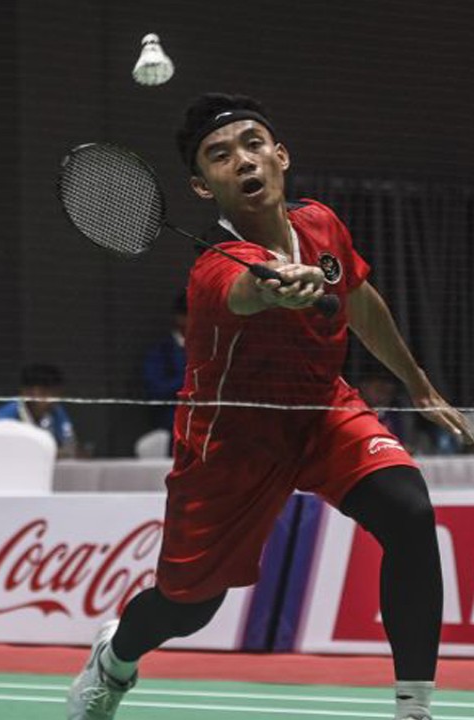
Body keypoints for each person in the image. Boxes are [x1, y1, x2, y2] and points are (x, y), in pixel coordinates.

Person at [66, 93, 474, 720]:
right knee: (189, 606)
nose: (244, 161)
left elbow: (359, 299)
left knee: (409, 512)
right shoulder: (212, 270)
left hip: (322, 410)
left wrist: (418, 384)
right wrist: (277, 287)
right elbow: (247, 291)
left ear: (280, 155)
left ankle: (413, 709)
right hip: (233, 444)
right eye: (220, 156)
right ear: (204, 187)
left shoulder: (321, 223)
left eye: (254, 144)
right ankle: (115, 657)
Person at [0, 363, 80, 458]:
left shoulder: (56, 410)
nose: (53, 399)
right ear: (27, 392)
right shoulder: (4, 417)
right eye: (45, 393)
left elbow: (70, 445)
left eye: (56, 393)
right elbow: (0, 452)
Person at [141, 290, 188, 433]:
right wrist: (190, 379)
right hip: (171, 428)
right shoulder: (161, 352)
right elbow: (155, 391)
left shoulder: (212, 349)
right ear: (180, 317)